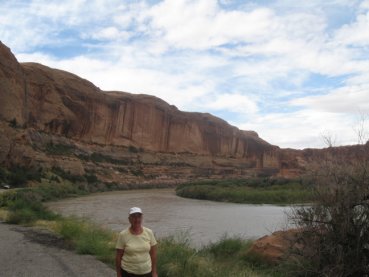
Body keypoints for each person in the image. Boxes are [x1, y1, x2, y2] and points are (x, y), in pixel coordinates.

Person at [115, 207, 158, 277]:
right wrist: (119, 274)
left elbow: (153, 254)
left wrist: (154, 272)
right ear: (129, 219)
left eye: (139, 217)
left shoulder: (149, 232)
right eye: (134, 217)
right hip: (128, 273)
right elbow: (118, 256)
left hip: (147, 272)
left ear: (142, 218)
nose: (137, 219)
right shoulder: (123, 235)